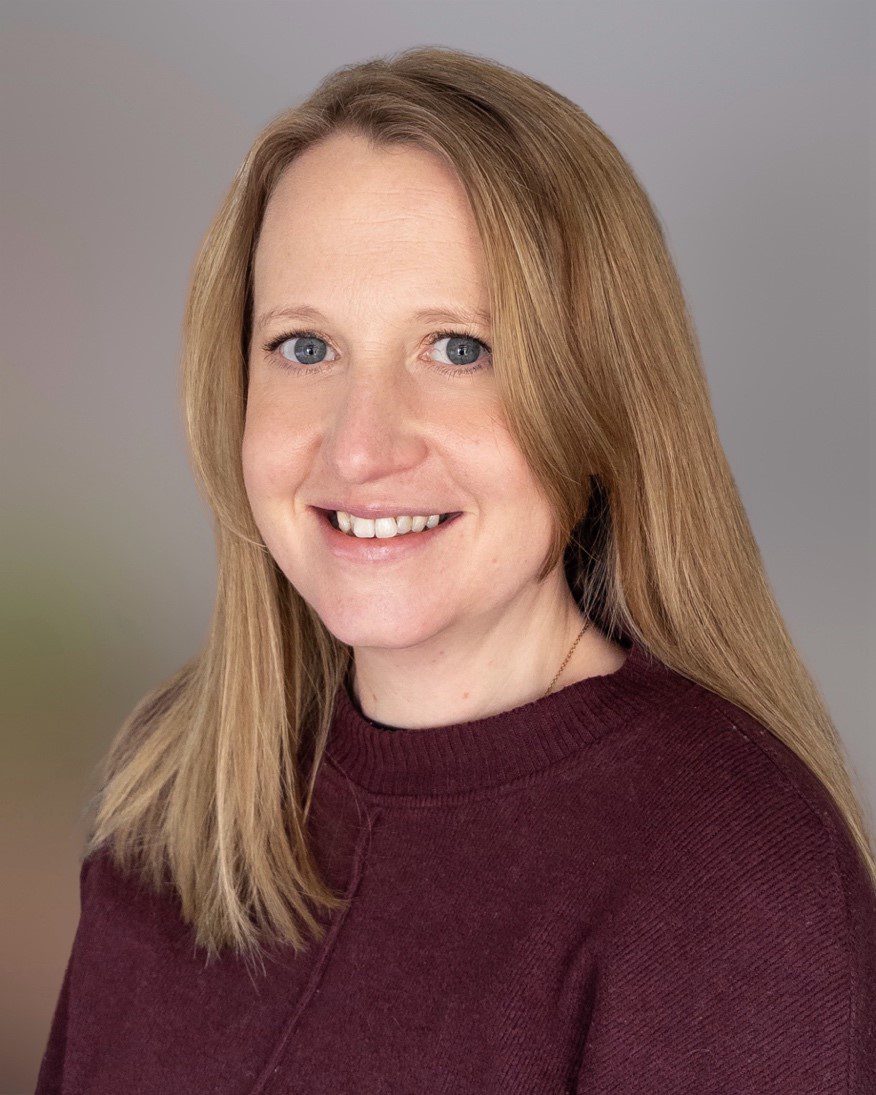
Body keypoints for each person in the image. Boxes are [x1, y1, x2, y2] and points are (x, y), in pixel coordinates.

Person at [36, 46, 875, 1094]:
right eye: (305, 349)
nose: (360, 446)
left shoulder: (732, 875)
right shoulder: (175, 802)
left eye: (458, 349)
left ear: (601, 403)